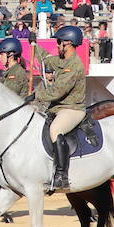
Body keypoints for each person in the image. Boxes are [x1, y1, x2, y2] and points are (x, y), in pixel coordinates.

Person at [31, 25, 87, 191]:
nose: (57, 45)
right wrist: (35, 45)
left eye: (59, 43)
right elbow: (46, 59)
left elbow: (58, 91)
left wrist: (36, 96)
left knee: (55, 130)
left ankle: (61, 175)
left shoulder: (75, 65)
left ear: (68, 43)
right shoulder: (63, 61)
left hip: (72, 109)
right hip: (58, 108)